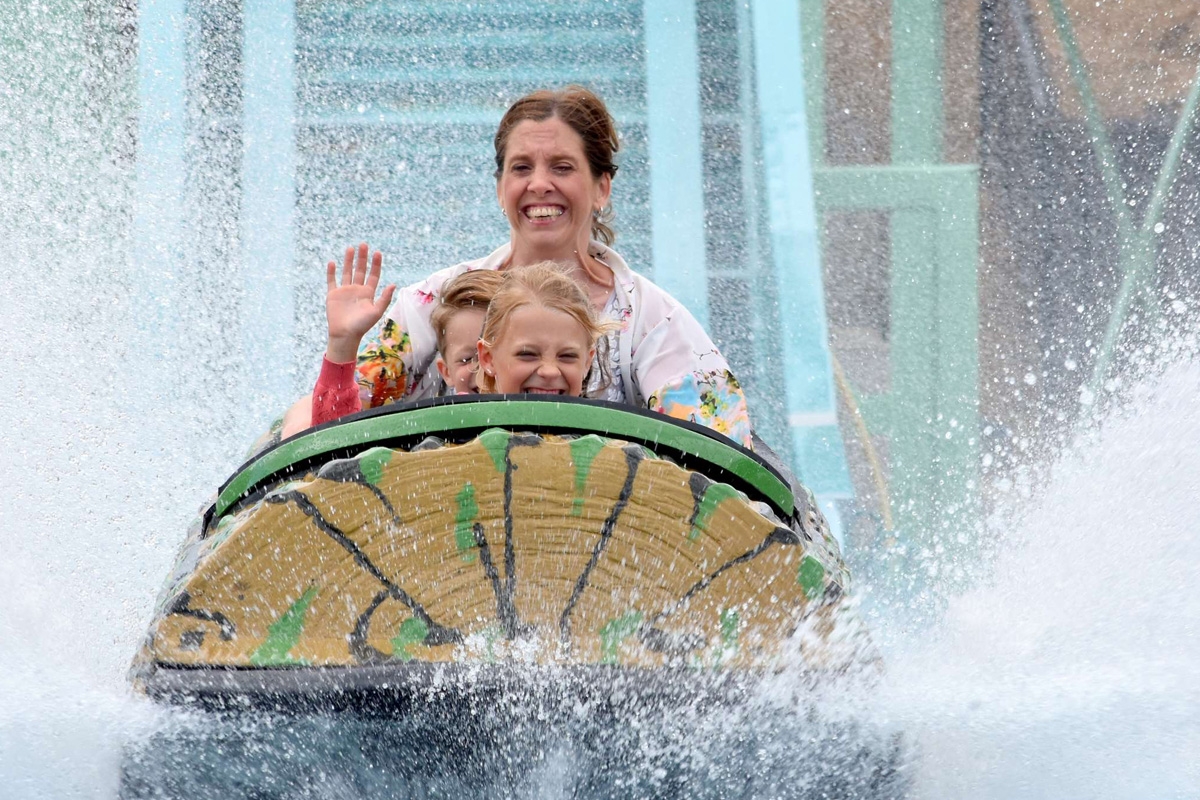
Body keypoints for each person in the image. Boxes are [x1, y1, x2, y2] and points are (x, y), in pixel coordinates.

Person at [287, 85, 753, 446]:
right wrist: (342, 347)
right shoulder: (443, 300)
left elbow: (720, 447)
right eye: (521, 168)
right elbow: (332, 431)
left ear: (601, 188)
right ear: (499, 187)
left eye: (563, 167)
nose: (540, 184)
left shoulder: (652, 319)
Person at [476, 263, 613, 397]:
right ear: (488, 358)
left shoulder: (606, 420)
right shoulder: (464, 419)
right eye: (527, 354)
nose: (550, 371)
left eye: (567, 356)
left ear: (587, 362)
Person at [428, 269, 505, 395]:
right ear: (447, 372)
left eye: (496, 354)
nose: (484, 369)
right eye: (467, 359)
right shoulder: (444, 414)